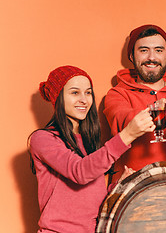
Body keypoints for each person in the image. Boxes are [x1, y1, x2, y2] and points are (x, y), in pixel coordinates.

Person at [28, 65, 155, 233]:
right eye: (75, 92)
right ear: (58, 98)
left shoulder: (88, 142)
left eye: (88, 92)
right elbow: (79, 172)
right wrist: (128, 135)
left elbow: (89, 199)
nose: (84, 99)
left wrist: (118, 186)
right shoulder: (43, 139)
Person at [103, 24, 166, 183]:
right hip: (133, 189)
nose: (152, 57)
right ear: (132, 56)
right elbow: (122, 120)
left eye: (159, 50)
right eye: (144, 50)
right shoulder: (117, 94)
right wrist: (155, 109)